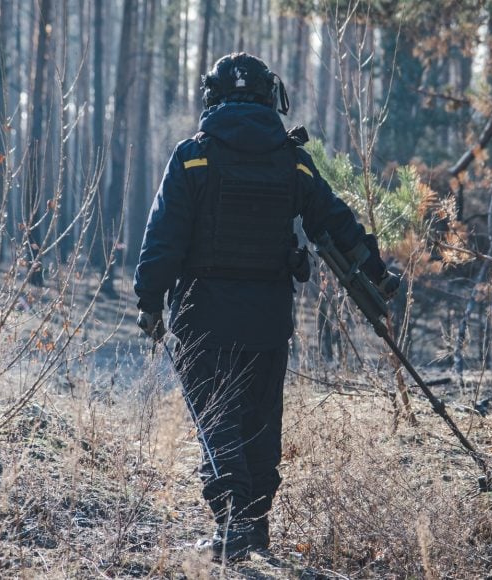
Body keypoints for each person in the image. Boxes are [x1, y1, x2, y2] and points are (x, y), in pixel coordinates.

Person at [133, 52, 399, 562]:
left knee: (218, 419)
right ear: (269, 96)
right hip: (269, 316)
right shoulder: (291, 159)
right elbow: (335, 221)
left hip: (203, 313)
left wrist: (149, 301)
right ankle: (253, 526)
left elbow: (162, 238)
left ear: (212, 96)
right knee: (258, 418)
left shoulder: (193, 156)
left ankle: (234, 527)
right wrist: (378, 272)